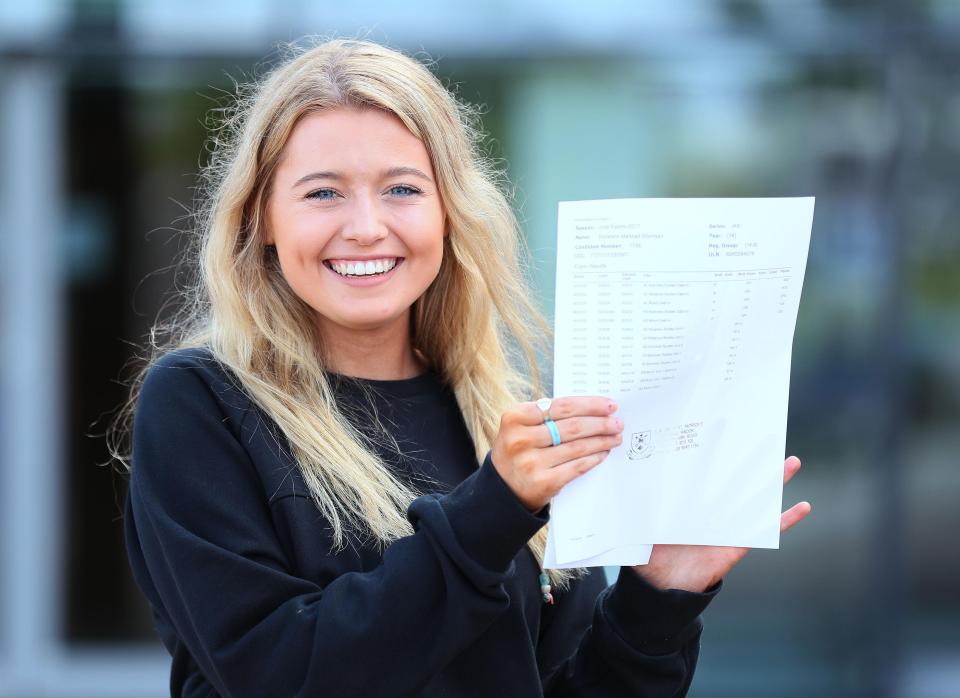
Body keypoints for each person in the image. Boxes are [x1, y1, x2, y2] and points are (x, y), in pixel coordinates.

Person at [113, 38, 811, 697]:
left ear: (449, 211)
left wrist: (659, 597)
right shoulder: (201, 403)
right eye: (323, 192)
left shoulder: (499, 420)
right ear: (263, 217)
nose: (364, 226)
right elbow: (277, 675)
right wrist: (493, 509)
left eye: (403, 189)